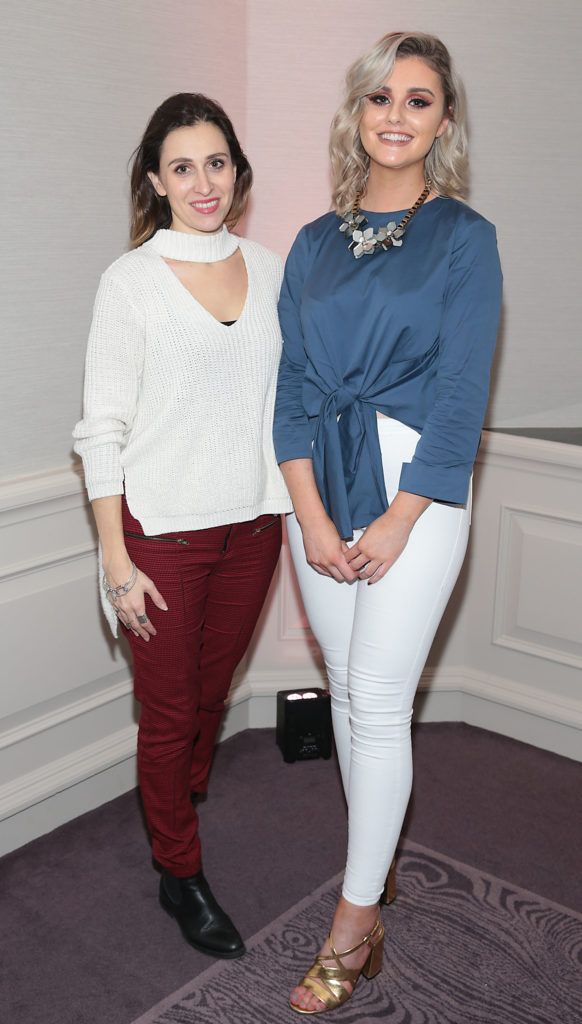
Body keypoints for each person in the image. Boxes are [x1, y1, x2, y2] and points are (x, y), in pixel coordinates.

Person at [273, 31, 502, 1014]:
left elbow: (460, 395)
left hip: (418, 483)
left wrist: (405, 517)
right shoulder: (316, 241)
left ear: (442, 121)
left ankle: (353, 922)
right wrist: (311, 513)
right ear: (357, 113)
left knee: (377, 692)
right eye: (380, 98)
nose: (396, 116)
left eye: (418, 100)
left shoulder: (464, 236)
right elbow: (290, 385)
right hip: (319, 484)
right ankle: (377, 869)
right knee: (346, 697)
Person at [73, 93, 291, 961]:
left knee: (211, 695)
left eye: (217, 163)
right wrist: (114, 560)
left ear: (237, 172)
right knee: (168, 716)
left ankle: (176, 800)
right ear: (157, 183)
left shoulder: (272, 267)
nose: (203, 182)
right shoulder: (129, 283)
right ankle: (180, 870)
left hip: (255, 531)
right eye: (182, 167)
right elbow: (101, 428)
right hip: (159, 535)